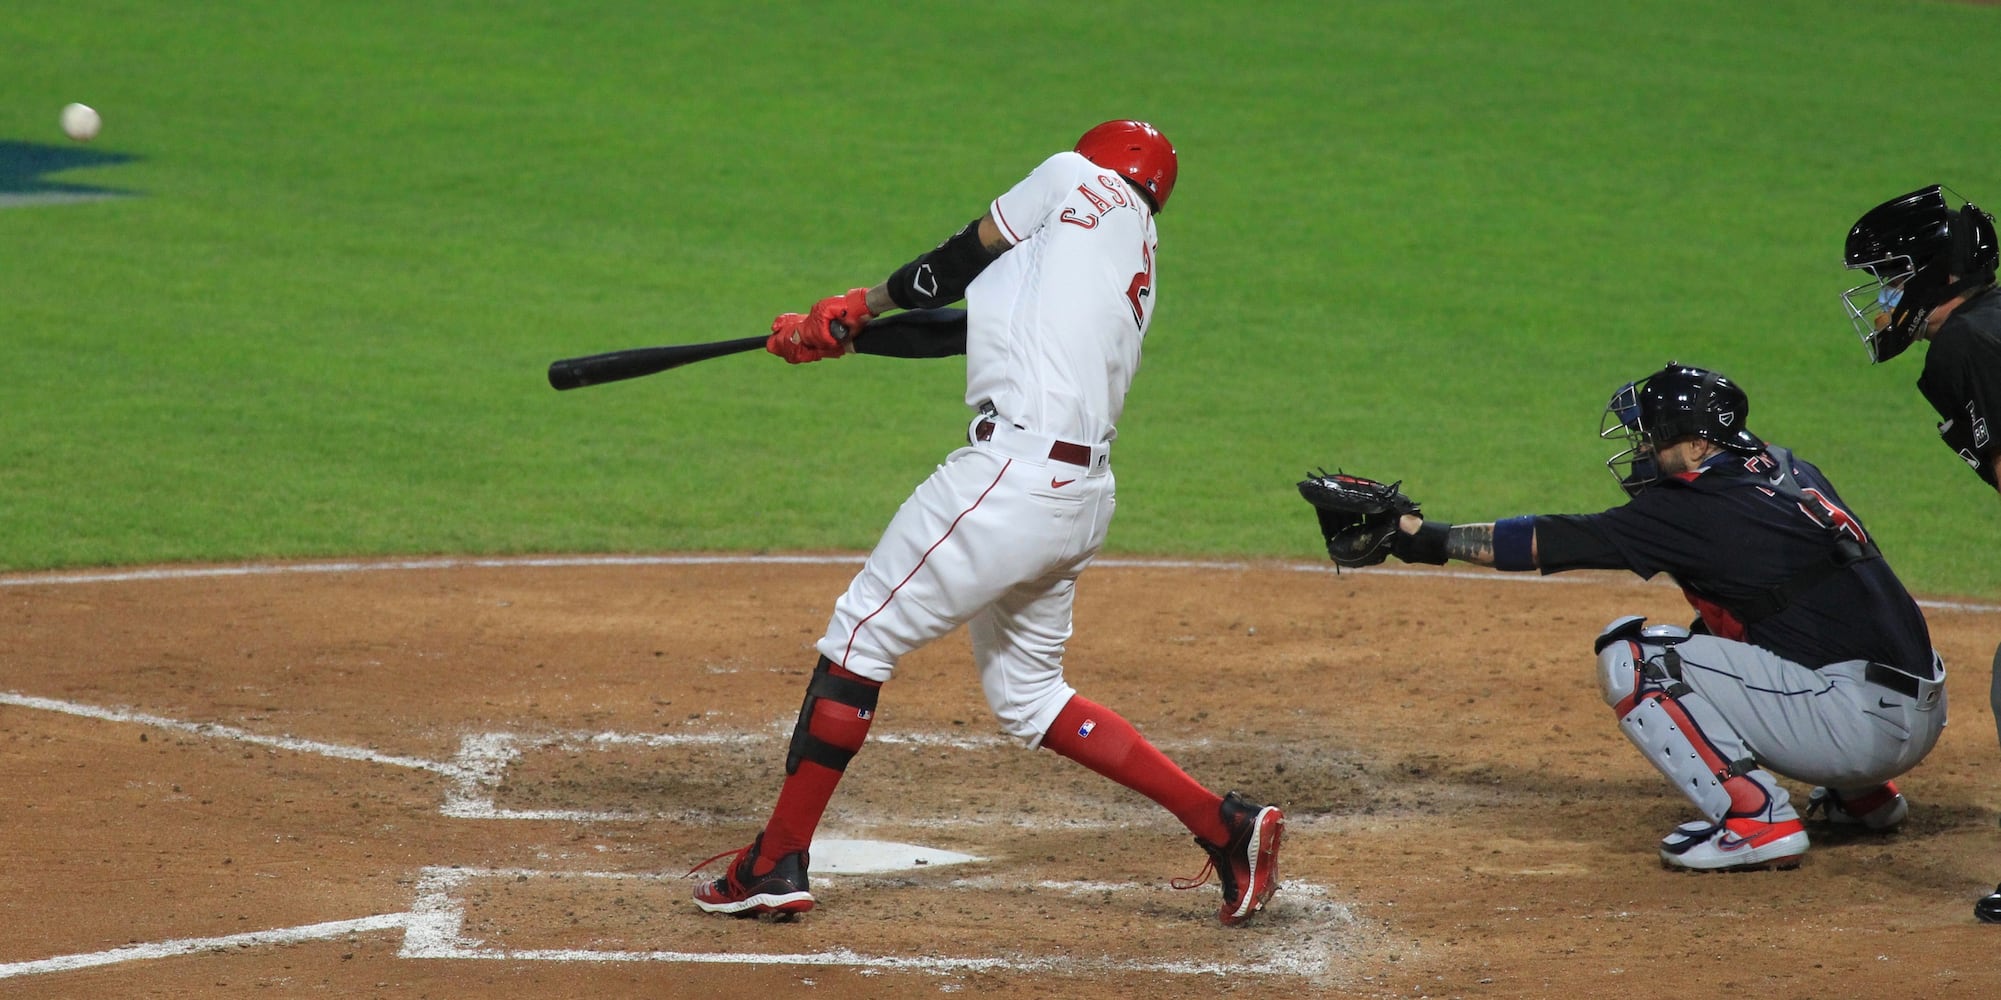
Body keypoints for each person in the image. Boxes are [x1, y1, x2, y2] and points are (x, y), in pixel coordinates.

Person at [689, 120, 1284, 926]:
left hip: (1010, 479)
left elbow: (947, 270)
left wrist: (852, 305)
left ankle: (773, 862)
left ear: (1095, 156)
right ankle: (1224, 825)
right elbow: (962, 328)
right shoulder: (1125, 254)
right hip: (1079, 498)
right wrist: (846, 342)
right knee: (1030, 696)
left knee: (858, 641)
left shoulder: (1070, 175)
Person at [1370, 363, 1946, 872]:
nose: (1643, 451)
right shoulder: (1785, 469)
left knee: (1636, 660)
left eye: (1654, 439)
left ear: (1697, 448)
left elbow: (1555, 540)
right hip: (1915, 706)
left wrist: (1421, 538)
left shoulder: (1691, 508)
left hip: (1859, 730)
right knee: (1728, 628)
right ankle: (1863, 797)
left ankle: (1758, 821)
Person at [1840, 185, 2001, 922]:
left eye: (1892, 276)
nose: (1883, 297)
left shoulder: (1968, 345)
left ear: (1936, 274)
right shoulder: (1986, 326)